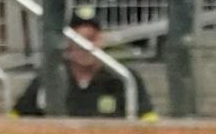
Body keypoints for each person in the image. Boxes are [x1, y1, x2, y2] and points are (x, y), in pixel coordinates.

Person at [12, 10, 152, 118]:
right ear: (67, 42)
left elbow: (149, 121)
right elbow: (14, 119)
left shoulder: (124, 78)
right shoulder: (48, 79)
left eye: (90, 39)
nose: (84, 47)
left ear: (101, 40)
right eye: (77, 40)